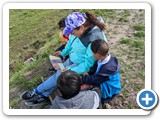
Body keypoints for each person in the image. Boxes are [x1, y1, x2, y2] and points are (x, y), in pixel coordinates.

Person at [20, 11, 108, 106]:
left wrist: (69, 69)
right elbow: (70, 42)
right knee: (58, 75)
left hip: (81, 65)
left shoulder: (93, 39)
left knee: (59, 76)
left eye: (72, 32)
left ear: (81, 28)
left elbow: (87, 66)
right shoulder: (78, 30)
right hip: (73, 58)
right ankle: (44, 95)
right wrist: (63, 53)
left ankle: (36, 91)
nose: (71, 34)